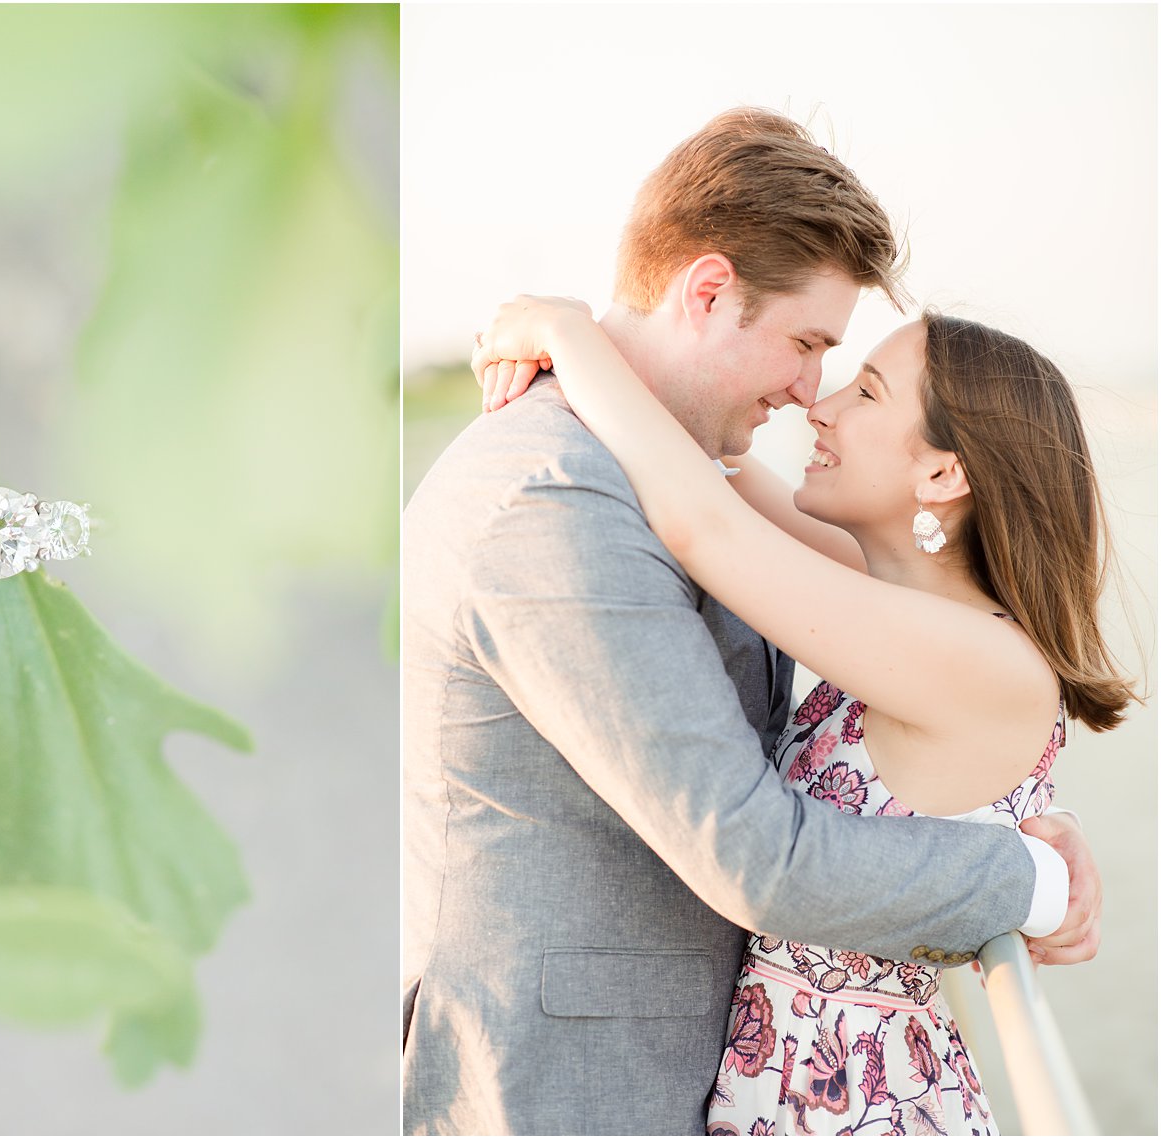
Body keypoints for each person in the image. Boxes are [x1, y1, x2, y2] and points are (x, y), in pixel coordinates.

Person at [401, 107, 1101, 1137]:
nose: (811, 395)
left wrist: (568, 332)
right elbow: (712, 517)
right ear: (708, 290)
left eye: (854, 380)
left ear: (944, 472)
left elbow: (709, 520)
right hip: (563, 1089)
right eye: (811, 345)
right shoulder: (553, 495)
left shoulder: (843, 580)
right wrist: (1020, 872)